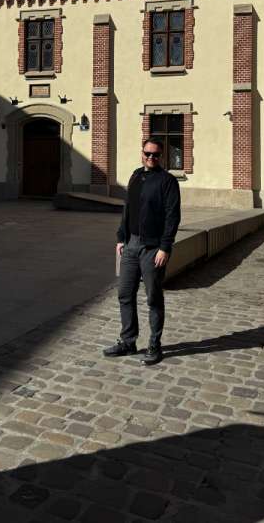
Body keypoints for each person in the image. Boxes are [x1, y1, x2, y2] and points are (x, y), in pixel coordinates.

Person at [103, 138, 181, 365]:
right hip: (130, 245)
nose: (151, 158)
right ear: (142, 153)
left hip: (153, 248)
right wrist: (120, 237)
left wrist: (165, 247)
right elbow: (128, 210)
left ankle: (154, 345)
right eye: (147, 153)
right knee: (125, 294)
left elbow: (172, 216)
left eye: (155, 155)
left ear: (161, 157)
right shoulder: (136, 176)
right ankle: (128, 341)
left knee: (153, 297)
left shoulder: (167, 181)